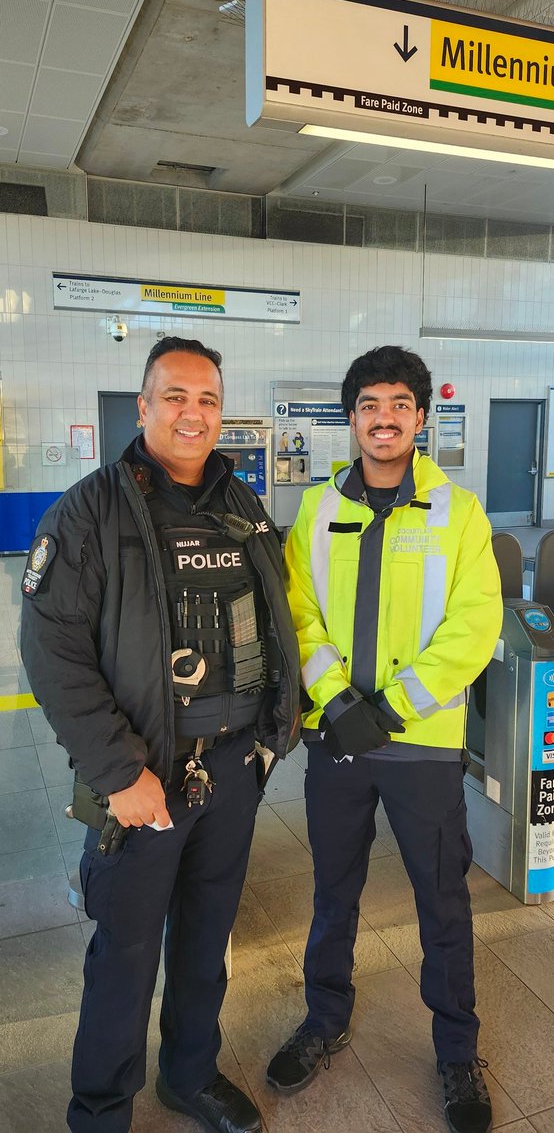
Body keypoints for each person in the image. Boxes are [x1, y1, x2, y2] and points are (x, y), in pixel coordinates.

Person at [20, 336, 299, 1133]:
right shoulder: (90, 511)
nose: (192, 413)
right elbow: (54, 652)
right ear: (143, 408)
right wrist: (118, 774)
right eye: (174, 396)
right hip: (144, 785)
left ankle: (190, 1076)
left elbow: (277, 626)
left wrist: (273, 737)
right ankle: (102, 1110)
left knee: (206, 940)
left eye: (207, 399)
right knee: (126, 957)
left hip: (234, 774)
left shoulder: (241, 507)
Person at [266, 345, 502, 1133]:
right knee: (334, 891)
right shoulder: (318, 509)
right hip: (338, 740)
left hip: (422, 748)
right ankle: (323, 1019)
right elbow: (297, 613)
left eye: (400, 403)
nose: (385, 417)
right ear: (352, 418)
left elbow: (474, 626)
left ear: (422, 416)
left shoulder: (458, 512)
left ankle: (457, 1053)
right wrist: (336, 701)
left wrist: (391, 708)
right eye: (369, 404)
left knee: (442, 901)